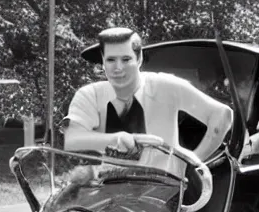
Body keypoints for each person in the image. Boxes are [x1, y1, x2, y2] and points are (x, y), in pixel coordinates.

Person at [62, 27, 233, 166]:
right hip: (109, 187)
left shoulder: (166, 86)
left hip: (162, 190)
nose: (118, 68)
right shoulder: (90, 94)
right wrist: (117, 138)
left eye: (126, 59)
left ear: (139, 59)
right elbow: (73, 138)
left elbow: (222, 115)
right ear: (103, 62)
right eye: (111, 60)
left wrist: (194, 162)